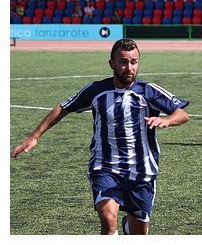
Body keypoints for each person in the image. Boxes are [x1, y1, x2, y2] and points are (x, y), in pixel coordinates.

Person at [11, 39, 190, 235]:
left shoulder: (149, 91)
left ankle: (130, 227)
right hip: (105, 167)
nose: (129, 67)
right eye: (123, 62)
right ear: (112, 64)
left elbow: (182, 114)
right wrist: (34, 137)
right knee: (107, 218)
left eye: (134, 62)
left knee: (139, 233)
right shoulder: (96, 91)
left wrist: (167, 120)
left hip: (141, 171)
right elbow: (63, 108)